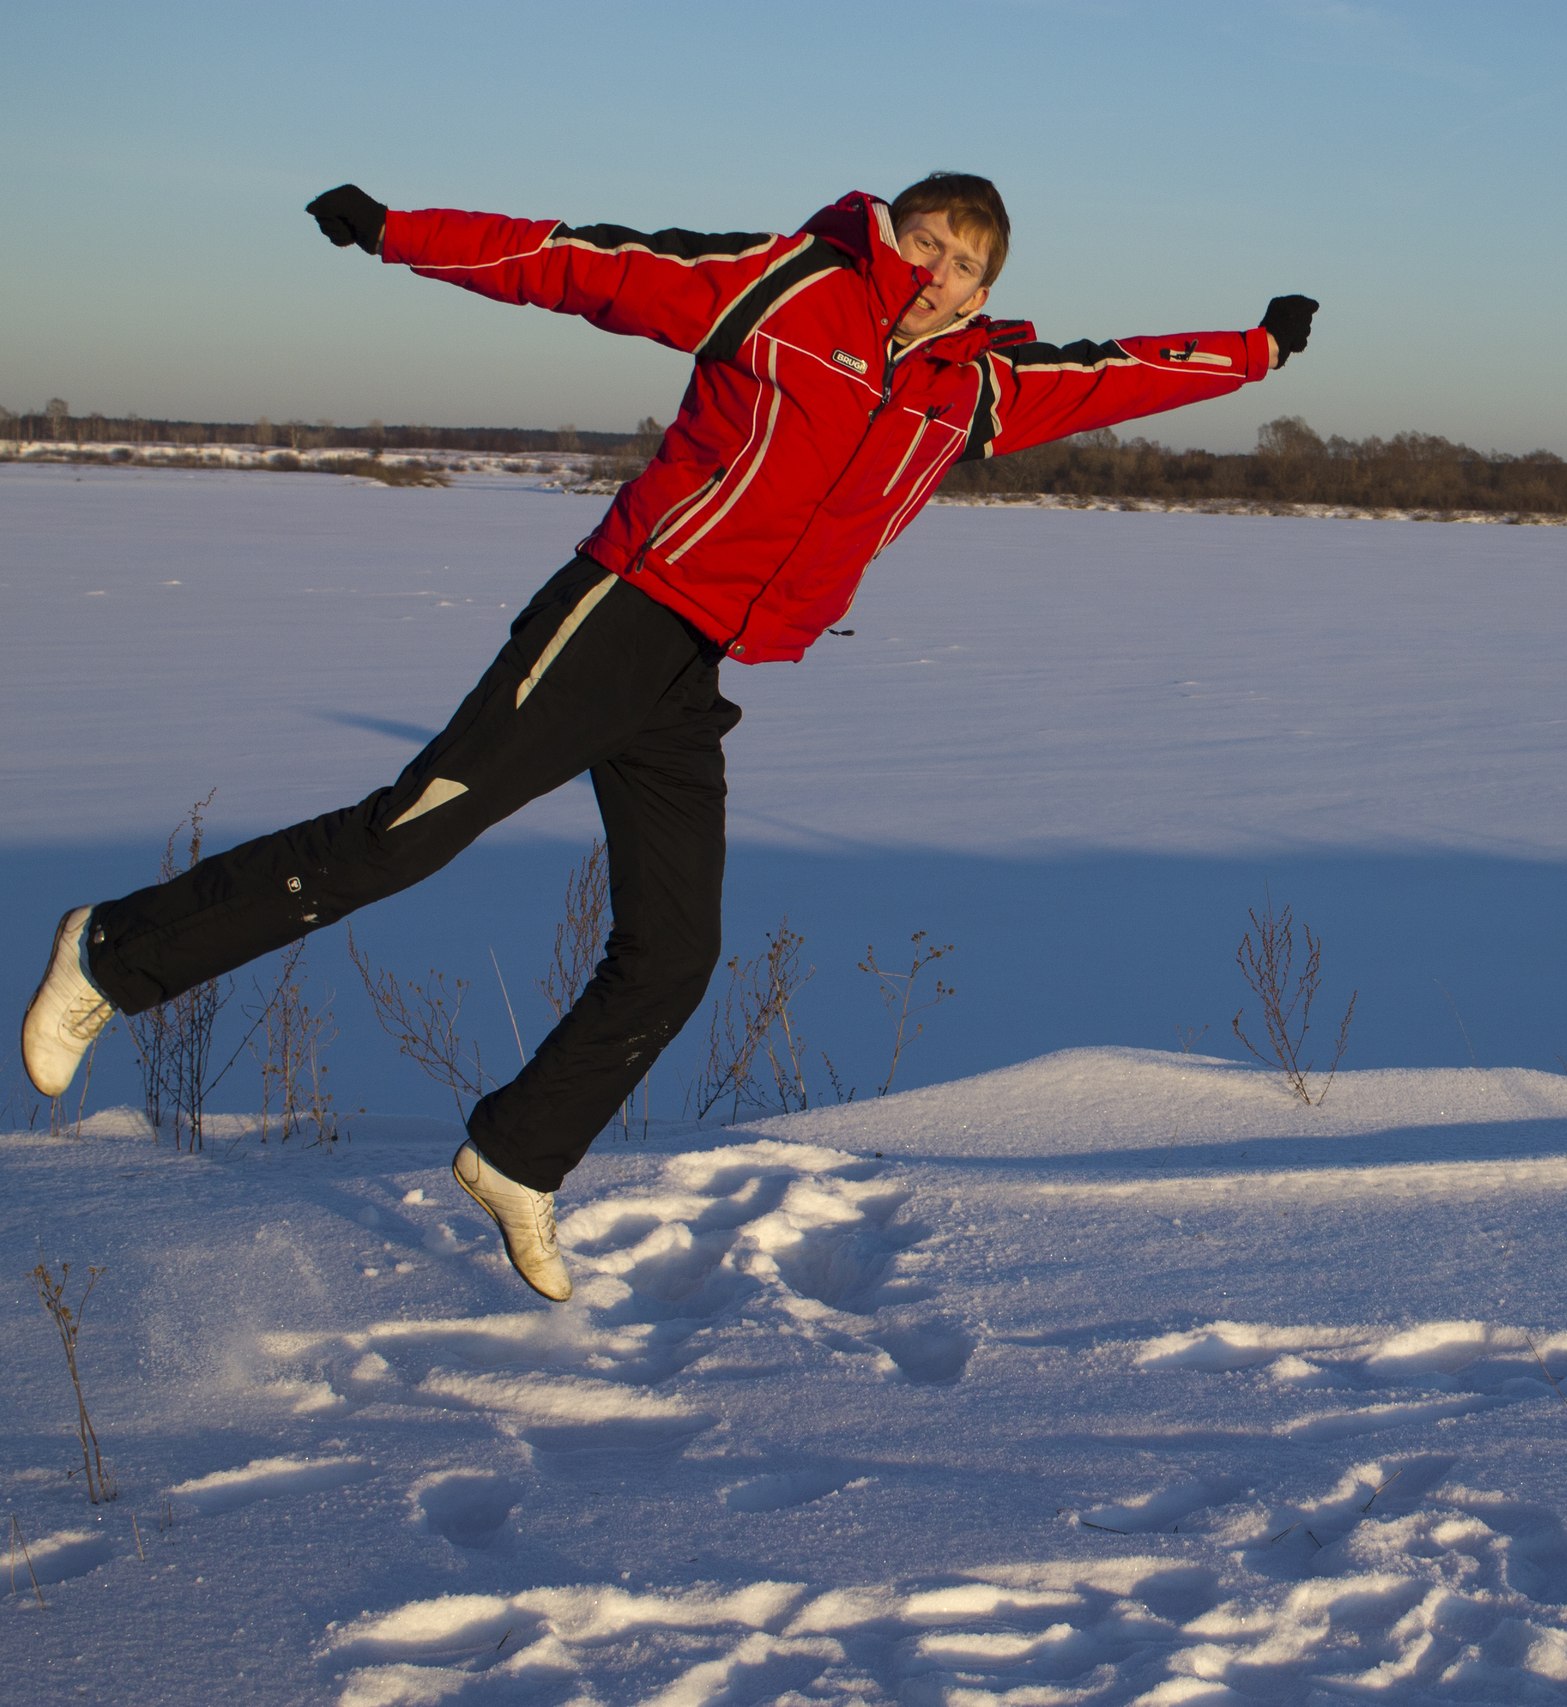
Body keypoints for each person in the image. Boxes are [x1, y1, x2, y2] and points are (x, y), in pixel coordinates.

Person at [21, 175, 1317, 1301]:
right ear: (890, 233)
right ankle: (114, 954)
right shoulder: (787, 290)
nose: (938, 271)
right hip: (619, 610)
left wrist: (1258, 349)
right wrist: (400, 231)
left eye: (966, 263)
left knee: (676, 953)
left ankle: (517, 1156)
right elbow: (586, 264)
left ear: (987, 290)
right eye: (925, 241)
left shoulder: (969, 387)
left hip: (691, 672)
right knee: (408, 836)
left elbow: (1119, 373)